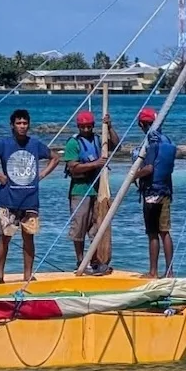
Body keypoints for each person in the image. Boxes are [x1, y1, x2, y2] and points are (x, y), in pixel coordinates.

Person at [0, 108, 61, 284]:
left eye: (25, 123)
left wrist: (43, 174)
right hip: (9, 199)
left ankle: (28, 274)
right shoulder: (4, 144)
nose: (22, 126)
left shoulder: (35, 144)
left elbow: (55, 158)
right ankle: (0, 275)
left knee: (28, 238)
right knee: (5, 238)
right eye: (18, 123)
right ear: (12, 125)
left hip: (30, 198)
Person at [63, 109, 119, 273]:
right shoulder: (73, 143)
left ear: (93, 126)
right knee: (79, 227)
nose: (86, 130)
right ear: (79, 127)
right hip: (80, 190)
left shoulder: (98, 139)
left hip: (98, 190)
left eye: (88, 127)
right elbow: (73, 167)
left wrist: (109, 127)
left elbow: (116, 146)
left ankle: (95, 260)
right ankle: (80, 260)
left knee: (96, 228)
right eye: (83, 127)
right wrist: (96, 164)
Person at [136, 105, 177, 279]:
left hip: (152, 192)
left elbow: (149, 168)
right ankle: (169, 271)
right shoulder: (166, 140)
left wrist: (133, 176)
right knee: (165, 231)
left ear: (142, 124)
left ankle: (153, 272)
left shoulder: (151, 143)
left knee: (153, 233)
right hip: (165, 192)